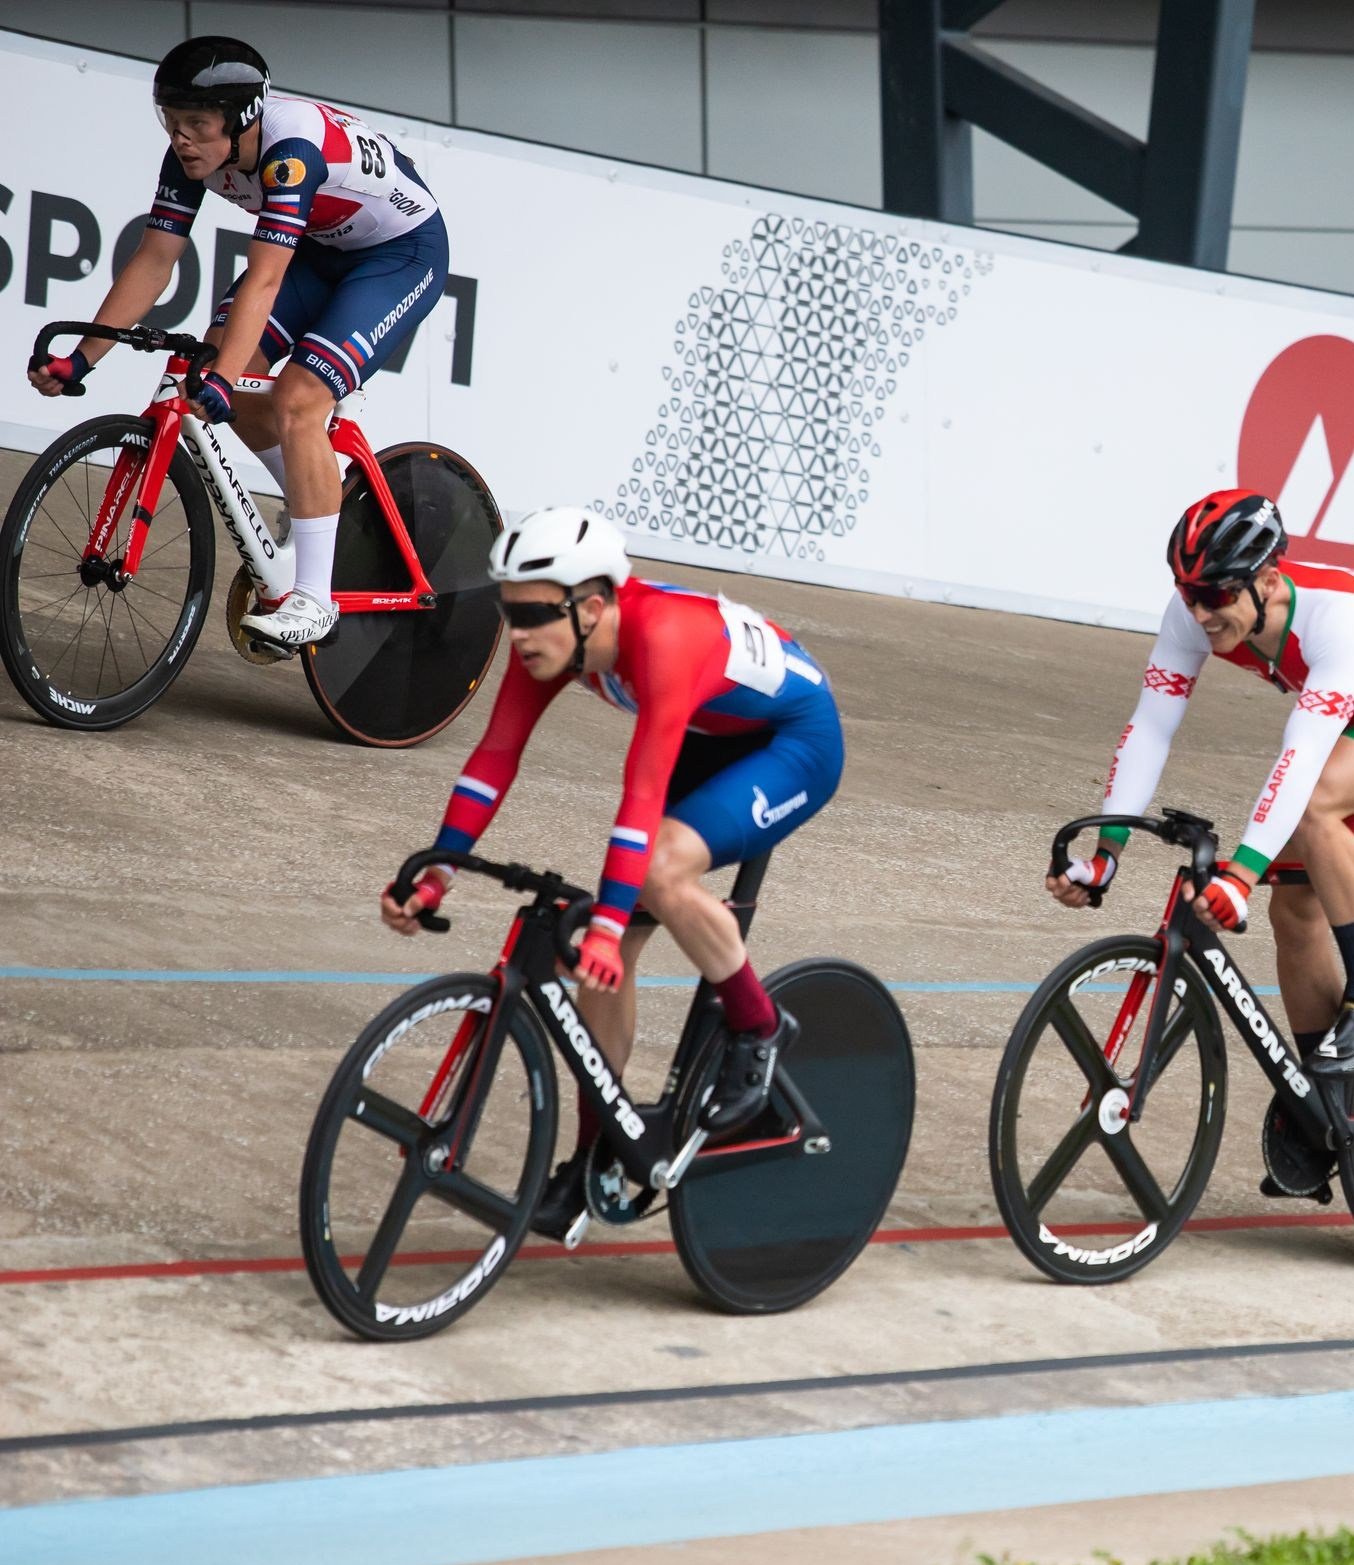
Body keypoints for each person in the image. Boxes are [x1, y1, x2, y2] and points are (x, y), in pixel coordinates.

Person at [380, 508, 844, 1231]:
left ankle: (759, 1026)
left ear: (592, 607)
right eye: (511, 613)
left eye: (534, 615)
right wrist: (438, 872)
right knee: (611, 959)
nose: (520, 633)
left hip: (795, 741)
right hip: (712, 734)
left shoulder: (660, 638)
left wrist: (607, 917)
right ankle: (600, 1156)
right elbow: (494, 760)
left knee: (655, 874)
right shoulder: (555, 643)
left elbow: (641, 794)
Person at [1049, 489, 1354, 1098]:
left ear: (1266, 579)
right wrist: (1108, 852)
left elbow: (1304, 752)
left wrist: (1240, 871)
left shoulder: (1333, 615)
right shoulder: (1195, 611)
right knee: (1293, 910)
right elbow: (1151, 726)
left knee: (1316, 802)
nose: (1201, 614)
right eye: (1188, 593)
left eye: (1216, 596)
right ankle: (1322, 1104)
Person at [24, 36, 450, 650]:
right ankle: (315, 504)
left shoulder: (290, 153)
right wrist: (83, 356)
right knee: (229, 369)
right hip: (320, 249)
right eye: (172, 122)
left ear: (243, 118)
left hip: (399, 255)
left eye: (197, 123)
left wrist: (223, 375)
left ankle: (314, 599)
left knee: (297, 399)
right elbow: (154, 258)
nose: (181, 137)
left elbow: (268, 275)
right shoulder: (189, 155)